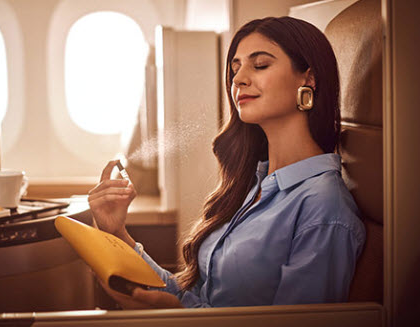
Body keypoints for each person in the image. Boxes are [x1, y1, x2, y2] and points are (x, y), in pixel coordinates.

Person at [87, 16, 365, 309]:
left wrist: (177, 316)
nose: (239, 79)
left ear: (308, 78)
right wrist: (118, 233)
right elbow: (191, 299)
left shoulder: (323, 206)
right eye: (235, 68)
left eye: (260, 65)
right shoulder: (253, 184)